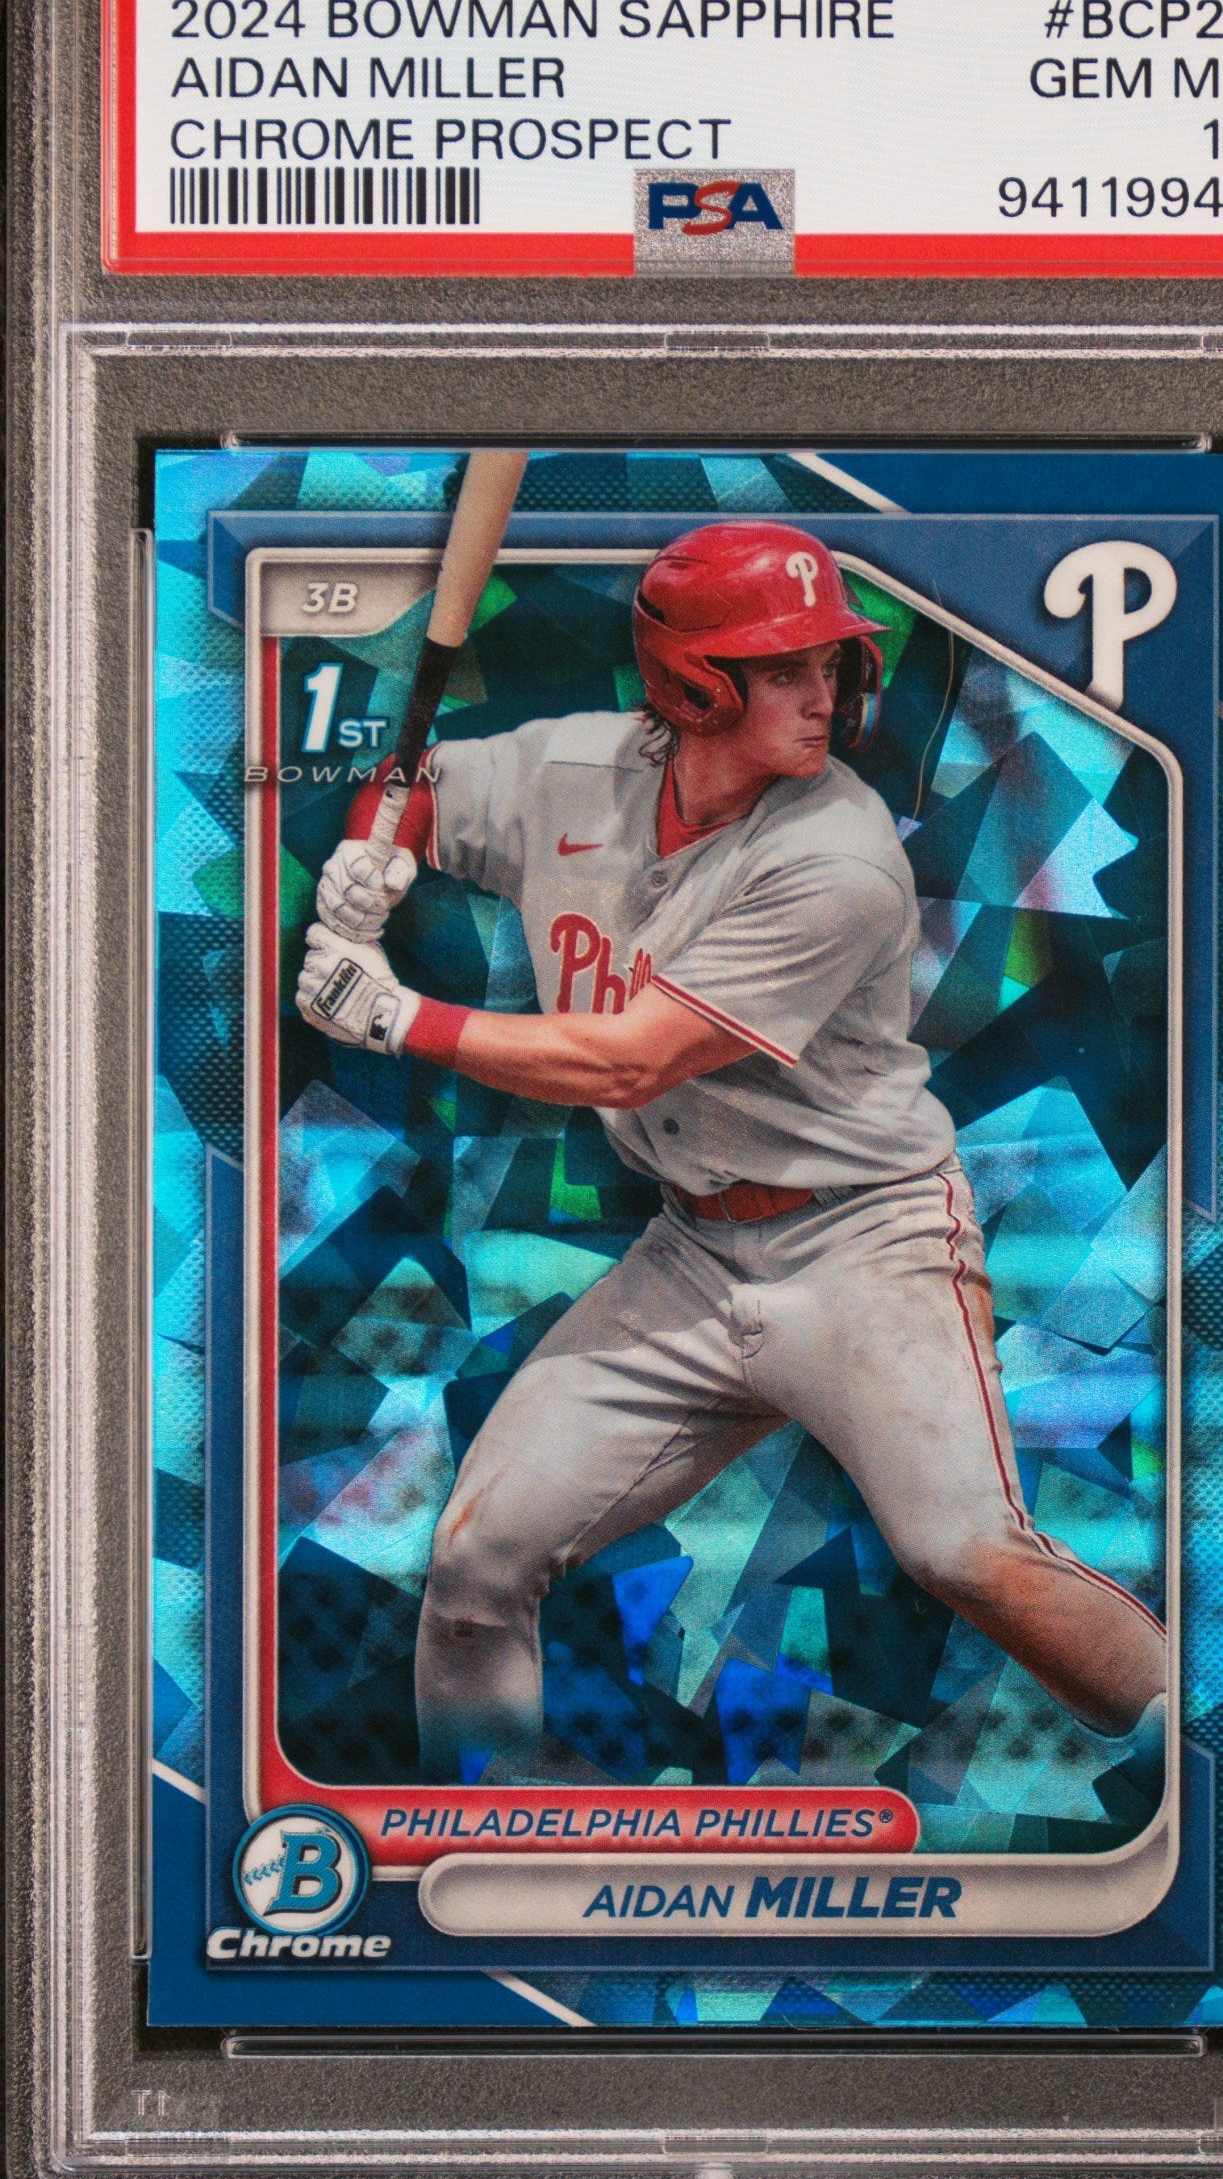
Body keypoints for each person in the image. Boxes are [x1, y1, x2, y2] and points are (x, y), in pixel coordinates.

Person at [297, 520, 1167, 1786]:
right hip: (692, 1254)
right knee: (477, 1566)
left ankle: (1209, 1750)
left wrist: (396, 1017)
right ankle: (476, 1832)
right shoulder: (573, 772)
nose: (825, 694)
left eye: (830, 664)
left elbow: (627, 1063)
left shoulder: (836, 855)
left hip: (864, 1246)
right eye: (784, 668)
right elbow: (416, 785)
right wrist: (375, 845)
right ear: (694, 685)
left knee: (963, 1552)